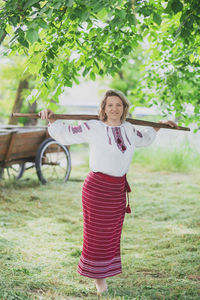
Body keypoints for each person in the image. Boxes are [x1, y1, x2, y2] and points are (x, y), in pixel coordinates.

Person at [38, 90, 179, 298]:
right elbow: (67, 132)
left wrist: (158, 125)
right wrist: (51, 119)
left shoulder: (130, 129)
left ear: (124, 109)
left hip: (117, 190)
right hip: (96, 189)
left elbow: (145, 138)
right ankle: (99, 281)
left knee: (111, 235)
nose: (114, 108)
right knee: (97, 235)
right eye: (110, 105)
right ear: (103, 109)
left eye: (118, 105)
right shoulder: (93, 127)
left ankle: (104, 272)